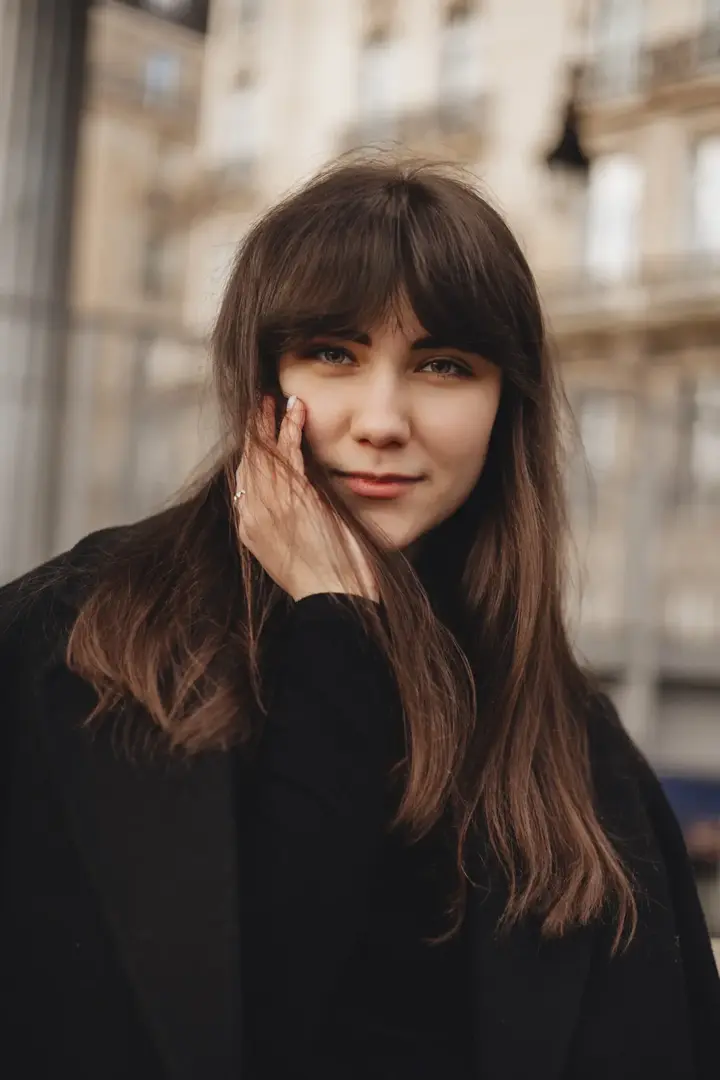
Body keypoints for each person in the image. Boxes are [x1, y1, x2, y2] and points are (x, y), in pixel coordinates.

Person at [1, 157, 718, 1080]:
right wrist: (336, 631)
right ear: (260, 376)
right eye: (334, 353)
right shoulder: (85, 643)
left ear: (507, 407)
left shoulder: (571, 743)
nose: (382, 420)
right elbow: (224, 1029)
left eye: (443, 365)